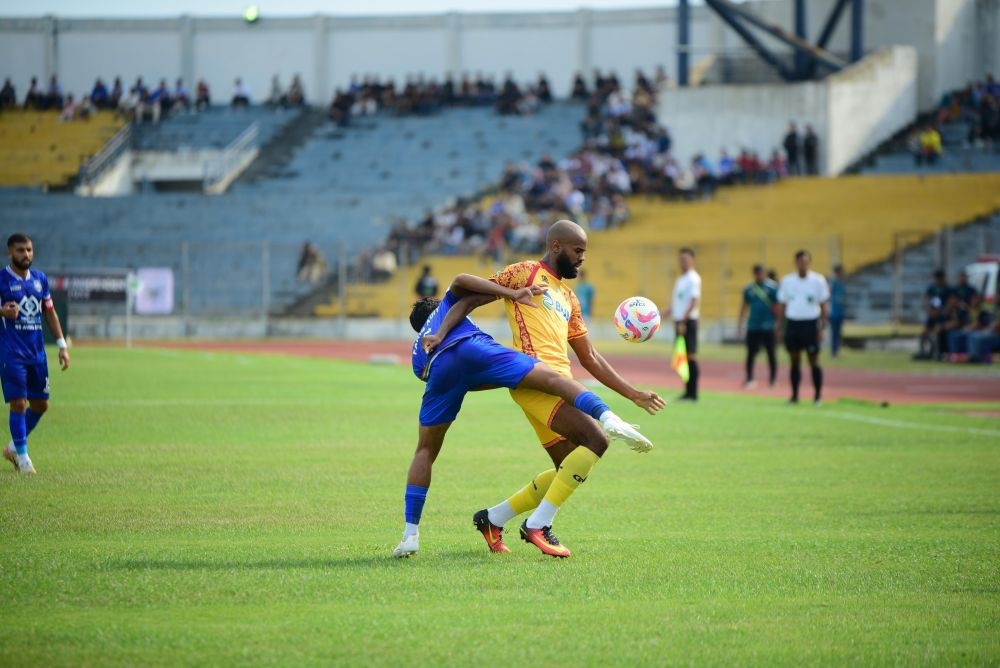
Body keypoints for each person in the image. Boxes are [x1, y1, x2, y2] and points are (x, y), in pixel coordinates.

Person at [393, 273, 655, 558]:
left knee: (425, 451)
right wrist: (514, 295)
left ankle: (411, 535)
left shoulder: (417, 352)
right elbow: (460, 281)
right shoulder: (445, 309)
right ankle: (607, 417)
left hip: (437, 372)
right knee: (552, 379)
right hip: (474, 349)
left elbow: (461, 382)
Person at [469, 220, 664, 558]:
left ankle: (492, 518)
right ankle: (537, 526)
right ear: (556, 246)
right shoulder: (525, 273)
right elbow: (474, 293)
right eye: (578, 250)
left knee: (568, 466)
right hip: (534, 379)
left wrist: (632, 393)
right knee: (596, 440)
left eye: (584, 252)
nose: (582, 258)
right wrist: (443, 330)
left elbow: (589, 356)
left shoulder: (569, 299)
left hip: (560, 384)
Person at [1, 233, 70, 474]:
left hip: (37, 354)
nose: (26, 254)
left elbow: (50, 313)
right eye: (21, 250)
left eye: (29, 250)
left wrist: (62, 345)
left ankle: (11, 448)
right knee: (19, 403)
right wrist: (2, 312)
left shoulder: (40, 280)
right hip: (11, 353)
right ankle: (23, 458)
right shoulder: (2, 279)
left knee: (40, 405)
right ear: (10, 253)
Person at [775, 250, 830, 405]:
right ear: (796, 263)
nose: (803, 264)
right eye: (800, 261)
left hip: (810, 323)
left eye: (805, 261)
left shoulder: (818, 281)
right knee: (794, 360)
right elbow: (782, 304)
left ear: (810, 263)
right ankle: (794, 395)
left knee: (813, 360)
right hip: (793, 323)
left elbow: (823, 304)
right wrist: (780, 325)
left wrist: (822, 327)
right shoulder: (787, 281)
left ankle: (818, 395)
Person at [662, 247, 701, 401]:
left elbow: (694, 302)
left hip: (688, 322)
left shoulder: (693, 278)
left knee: (690, 356)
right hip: (679, 321)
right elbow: (680, 301)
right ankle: (687, 391)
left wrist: (683, 321)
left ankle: (693, 393)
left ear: (692, 261)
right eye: (681, 260)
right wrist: (668, 311)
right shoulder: (681, 279)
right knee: (682, 357)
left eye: (685, 260)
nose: (682, 263)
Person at [737, 264, 778, 388]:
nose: (758, 275)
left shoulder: (772, 288)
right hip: (753, 326)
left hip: (768, 326)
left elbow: (779, 305)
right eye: (756, 272)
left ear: (764, 272)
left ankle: (772, 379)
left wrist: (778, 323)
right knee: (750, 353)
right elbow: (744, 306)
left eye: (760, 272)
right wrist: (740, 323)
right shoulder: (749, 288)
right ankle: (749, 378)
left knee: (771, 353)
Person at [828, 264, 846, 357]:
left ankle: (837, 350)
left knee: (838, 332)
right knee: (834, 333)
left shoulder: (842, 283)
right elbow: (828, 296)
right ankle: (833, 351)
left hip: (840, 312)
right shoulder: (833, 283)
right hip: (833, 313)